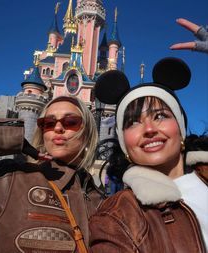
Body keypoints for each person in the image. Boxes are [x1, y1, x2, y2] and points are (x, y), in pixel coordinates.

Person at [89, 57, 208, 252]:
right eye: (133, 122)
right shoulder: (118, 217)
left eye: (160, 116)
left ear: (181, 129)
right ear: (124, 144)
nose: (149, 129)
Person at [0, 95, 106, 253]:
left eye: (70, 122)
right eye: (49, 123)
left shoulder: (101, 200)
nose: (58, 128)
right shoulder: (8, 181)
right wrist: (12, 139)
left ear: (87, 132)